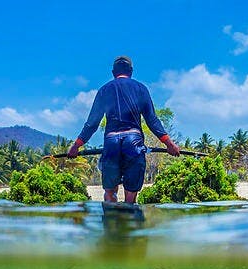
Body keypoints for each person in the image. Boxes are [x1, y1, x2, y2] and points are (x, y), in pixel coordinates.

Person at [68, 56, 180, 204]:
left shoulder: (104, 90)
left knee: (109, 192)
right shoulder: (141, 89)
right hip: (133, 143)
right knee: (130, 199)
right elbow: (152, 120)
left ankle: (111, 218)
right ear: (131, 71)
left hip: (111, 143)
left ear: (113, 72)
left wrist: (76, 146)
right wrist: (169, 144)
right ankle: (129, 219)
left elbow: (92, 123)